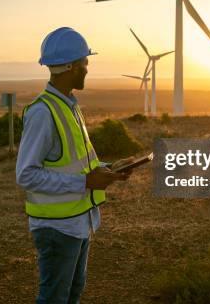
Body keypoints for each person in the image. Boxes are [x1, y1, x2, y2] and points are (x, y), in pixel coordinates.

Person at [16, 26, 134, 304]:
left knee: (72, 294)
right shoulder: (43, 112)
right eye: (85, 62)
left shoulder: (69, 106)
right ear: (70, 66)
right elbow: (26, 175)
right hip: (57, 228)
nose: (87, 69)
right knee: (54, 298)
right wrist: (85, 182)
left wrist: (110, 168)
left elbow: (78, 163)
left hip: (79, 221)